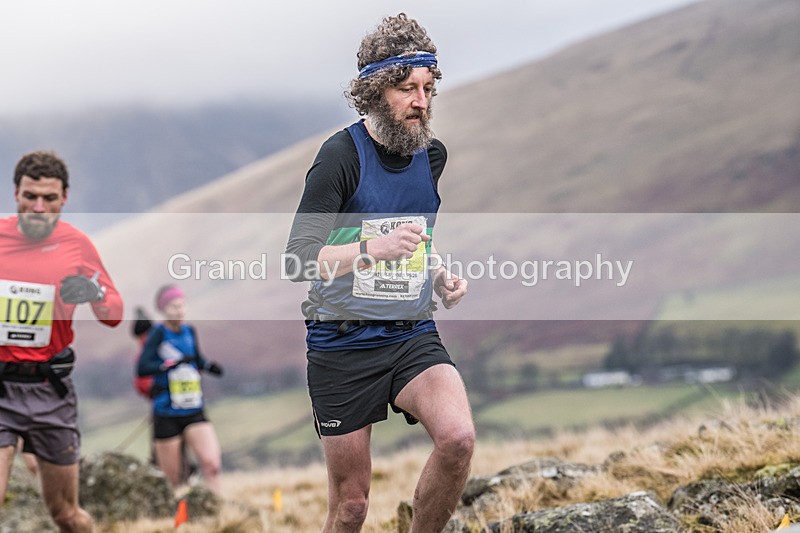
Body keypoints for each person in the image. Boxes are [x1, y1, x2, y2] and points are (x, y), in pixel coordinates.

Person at [285, 14, 474, 532]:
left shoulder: (429, 156)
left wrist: (437, 274)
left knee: (457, 440)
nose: (421, 102)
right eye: (406, 88)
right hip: (342, 343)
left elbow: (415, 238)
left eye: (428, 88)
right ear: (373, 91)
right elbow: (298, 258)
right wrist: (373, 249)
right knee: (351, 506)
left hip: (410, 332)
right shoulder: (340, 157)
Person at [0, 150, 123, 532]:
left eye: (49, 198)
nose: (38, 207)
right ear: (16, 192)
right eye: (30, 196)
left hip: (50, 390)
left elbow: (114, 314)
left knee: (67, 516)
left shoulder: (77, 245)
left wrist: (93, 292)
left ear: (64, 197)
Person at [136, 285, 223, 494]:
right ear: (163, 309)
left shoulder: (189, 331)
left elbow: (196, 358)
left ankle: (220, 512)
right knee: (174, 480)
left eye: (182, 305)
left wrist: (208, 366)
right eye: (174, 306)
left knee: (212, 464)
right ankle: (179, 522)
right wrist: (169, 365)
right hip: (166, 411)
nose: (180, 311)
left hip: (193, 407)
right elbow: (142, 368)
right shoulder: (157, 333)